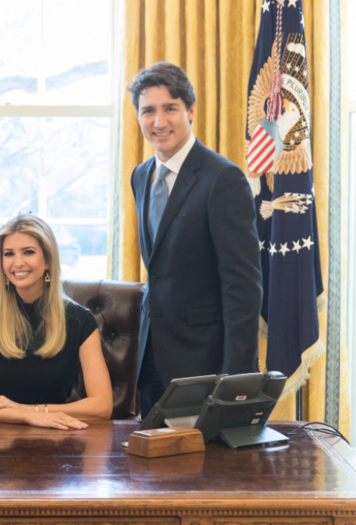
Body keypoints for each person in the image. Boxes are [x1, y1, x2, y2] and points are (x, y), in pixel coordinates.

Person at [128, 62, 262, 418]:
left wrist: (239, 379)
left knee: (201, 470)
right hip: (151, 359)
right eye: (148, 111)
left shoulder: (223, 179)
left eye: (170, 108)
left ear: (190, 110)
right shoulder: (141, 176)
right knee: (152, 468)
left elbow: (243, 285)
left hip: (204, 364)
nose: (159, 122)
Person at [0, 214, 112, 429]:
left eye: (28, 252)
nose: (18, 263)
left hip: (59, 440)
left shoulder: (79, 320)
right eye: (8, 254)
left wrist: (29, 410)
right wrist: (25, 416)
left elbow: (102, 406)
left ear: (47, 260)